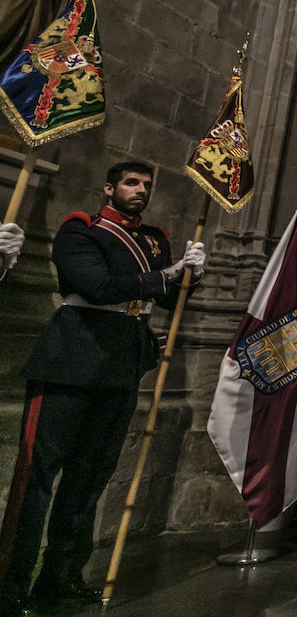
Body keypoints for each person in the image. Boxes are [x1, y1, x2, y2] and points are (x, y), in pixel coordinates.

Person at [0, 161, 204, 613]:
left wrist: (192, 272)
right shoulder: (81, 230)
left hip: (119, 366)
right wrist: (164, 275)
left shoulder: (153, 239)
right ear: (109, 187)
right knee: (36, 477)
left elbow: (169, 298)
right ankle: (10, 582)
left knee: (89, 477)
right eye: (132, 183)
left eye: (147, 185)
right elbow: (94, 286)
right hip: (71, 360)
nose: (141, 191)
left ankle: (61, 576)